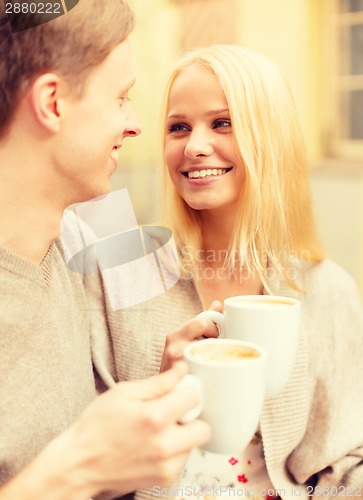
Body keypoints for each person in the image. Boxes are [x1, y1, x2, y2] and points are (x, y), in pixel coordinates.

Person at [109, 45, 363, 499]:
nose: (194, 146)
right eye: (178, 127)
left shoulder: (328, 291)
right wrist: (159, 390)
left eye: (222, 123)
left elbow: (347, 464)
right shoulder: (122, 274)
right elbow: (88, 453)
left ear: (272, 138)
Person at [0, 1, 219, 498]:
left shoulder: (76, 235)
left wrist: (158, 390)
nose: (136, 124)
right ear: (52, 102)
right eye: (121, 98)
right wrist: (78, 469)